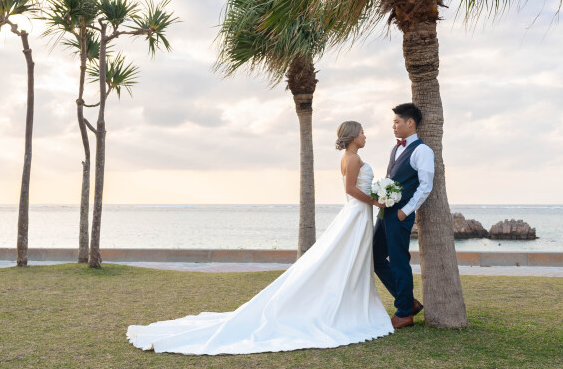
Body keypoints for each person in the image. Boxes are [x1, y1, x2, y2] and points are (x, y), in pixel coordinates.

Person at [126, 120, 393, 354]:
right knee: (345, 258)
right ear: (352, 136)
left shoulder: (348, 158)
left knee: (352, 259)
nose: (365, 135)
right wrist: (377, 201)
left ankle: (350, 299)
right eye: (362, 131)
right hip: (357, 212)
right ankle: (343, 304)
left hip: (358, 213)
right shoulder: (353, 159)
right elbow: (350, 189)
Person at [373, 103, 435, 329]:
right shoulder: (395, 148)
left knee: (399, 261)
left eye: (397, 122)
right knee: (374, 257)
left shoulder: (423, 151)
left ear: (410, 123)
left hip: (399, 215)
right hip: (384, 213)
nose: (393, 126)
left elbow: (426, 186)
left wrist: (404, 211)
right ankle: (408, 302)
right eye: (393, 122)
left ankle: (403, 313)